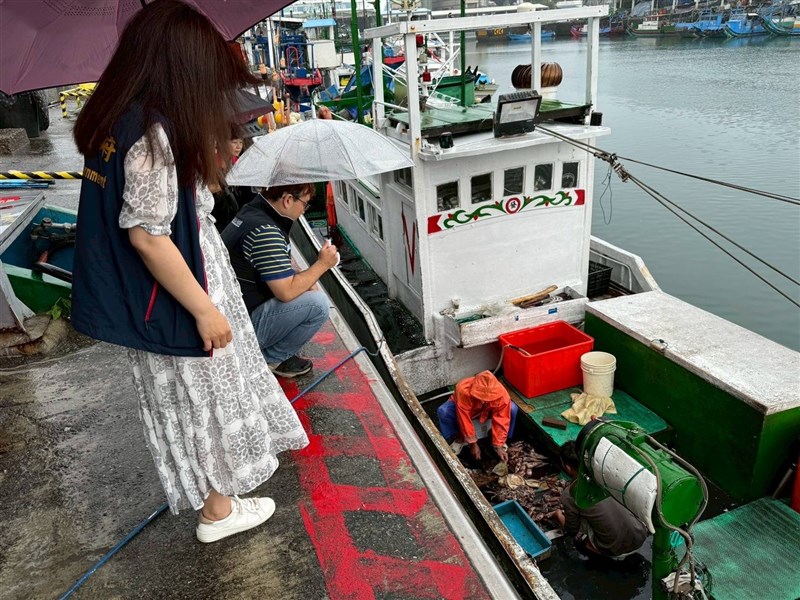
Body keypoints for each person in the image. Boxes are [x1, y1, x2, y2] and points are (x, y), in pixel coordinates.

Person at [71, 0, 308, 544]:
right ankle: (219, 512)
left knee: (183, 398)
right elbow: (150, 236)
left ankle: (217, 500)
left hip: (151, 290)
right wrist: (205, 309)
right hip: (180, 284)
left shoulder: (117, 117)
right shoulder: (154, 135)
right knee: (207, 392)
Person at [222, 185, 338, 378]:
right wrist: (322, 264)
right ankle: (269, 359)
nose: (303, 211)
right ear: (288, 200)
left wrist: (306, 279)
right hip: (240, 329)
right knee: (318, 305)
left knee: (307, 287)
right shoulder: (265, 231)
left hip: (231, 313)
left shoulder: (251, 211)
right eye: (304, 204)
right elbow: (286, 292)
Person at [553, 441, 649, 559]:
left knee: (578, 529)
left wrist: (558, 515)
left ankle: (597, 550)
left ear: (567, 467)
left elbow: (571, 530)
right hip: (640, 534)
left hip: (616, 549)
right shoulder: (607, 473)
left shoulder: (570, 494)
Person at [436, 370, 518, 463]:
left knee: (513, 409)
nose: (484, 401)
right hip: (467, 410)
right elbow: (463, 418)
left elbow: (502, 419)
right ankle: (458, 438)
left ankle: (496, 439)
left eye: (488, 398)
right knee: (443, 411)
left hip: (487, 411)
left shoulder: (502, 395)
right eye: (481, 397)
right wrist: (473, 444)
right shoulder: (463, 390)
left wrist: (498, 445)